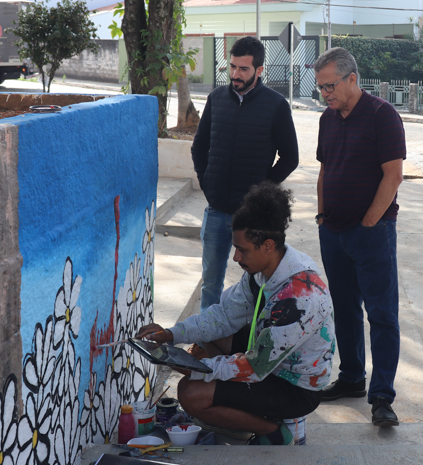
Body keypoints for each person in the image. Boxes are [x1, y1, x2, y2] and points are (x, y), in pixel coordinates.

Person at [136, 181, 335, 445]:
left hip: (296, 388)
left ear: (268, 245)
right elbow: (222, 317)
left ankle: (276, 432)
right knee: (209, 337)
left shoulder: (299, 298)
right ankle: (245, 415)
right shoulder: (262, 272)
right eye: (236, 248)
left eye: (243, 250)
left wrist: (191, 368)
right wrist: (171, 334)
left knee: (191, 393)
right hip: (270, 364)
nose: (236, 258)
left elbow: (254, 367)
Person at [313, 47, 406, 427]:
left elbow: (393, 175)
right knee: (344, 309)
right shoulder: (327, 119)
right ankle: (351, 377)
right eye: (320, 87)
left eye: (330, 86)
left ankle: (382, 396)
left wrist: (369, 223)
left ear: (352, 79)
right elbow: (324, 171)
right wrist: (322, 216)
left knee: (381, 314)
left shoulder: (383, 115)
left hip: (372, 234)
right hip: (333, 232)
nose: (325, 94)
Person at [192, 36, 299, 311]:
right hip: (216, 212)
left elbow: (290, 157)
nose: (236, 74)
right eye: (232, 67)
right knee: (210, 282)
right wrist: (207, 184)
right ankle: (206, 334)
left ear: (259, 70)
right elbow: (199, 147)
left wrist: (261, 191)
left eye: (244, 69)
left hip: (253, 217)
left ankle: (253, 336)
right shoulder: (216, 99)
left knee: (257, 285)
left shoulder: (276, 105)